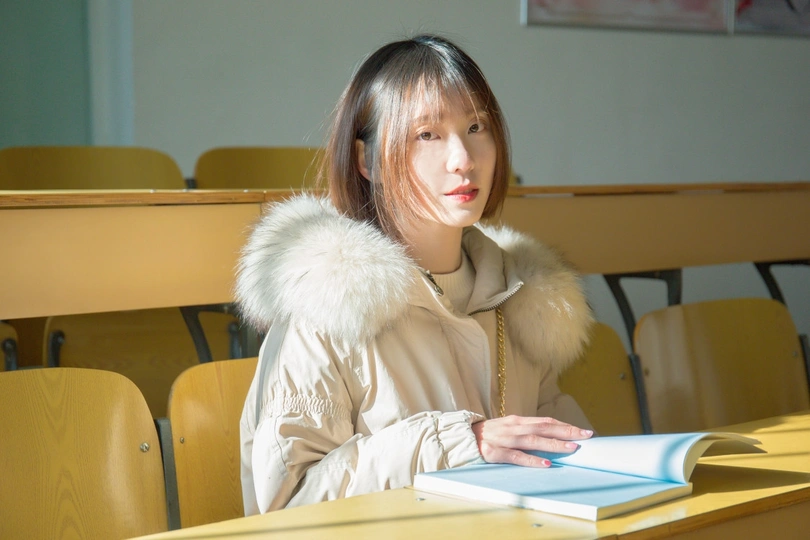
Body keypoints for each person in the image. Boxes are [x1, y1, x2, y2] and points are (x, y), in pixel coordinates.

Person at [236, 34, 594, 515]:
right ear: (367, 161)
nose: (463, 160)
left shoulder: (524, 299)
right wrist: (458, 442)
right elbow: (289, 500)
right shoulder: (324, 309)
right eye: (427, 134)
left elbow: (566, 455)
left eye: (476, 127)